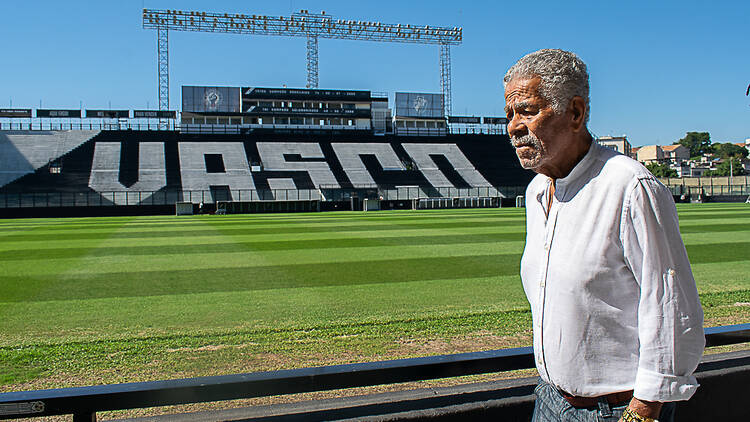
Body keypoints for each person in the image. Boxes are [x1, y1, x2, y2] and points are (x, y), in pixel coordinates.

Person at [503, 49, 704, 422]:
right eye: (510, 114)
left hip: (615, 411)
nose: (514, 126)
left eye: (528, 110)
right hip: (549, 400)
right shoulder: (535, 193)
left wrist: (643, 411)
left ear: (575, 113)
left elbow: (671, 307)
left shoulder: (630, 187)